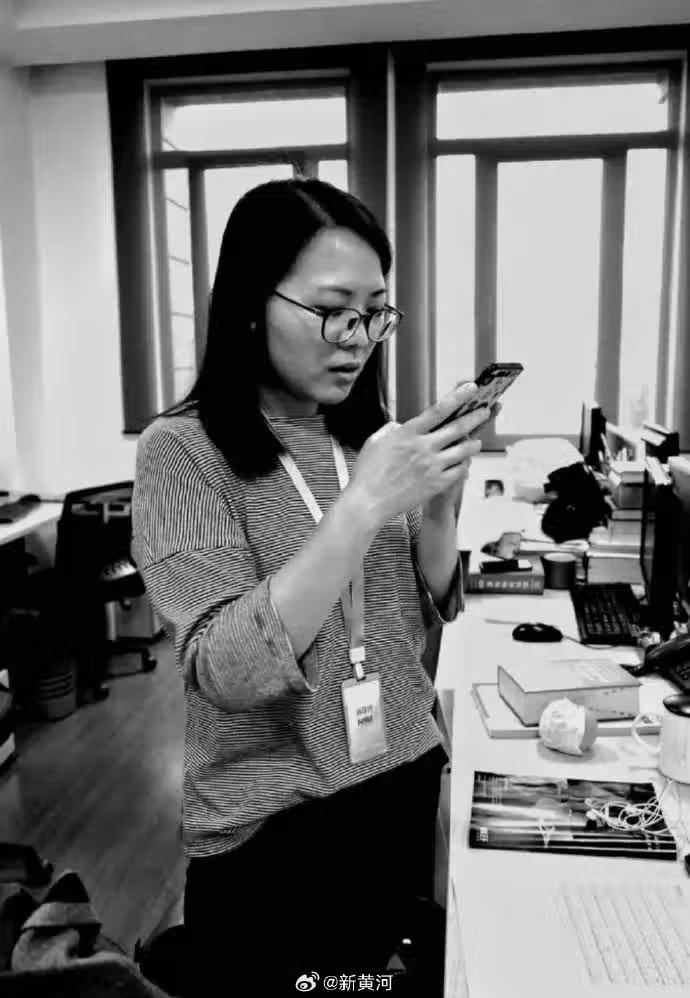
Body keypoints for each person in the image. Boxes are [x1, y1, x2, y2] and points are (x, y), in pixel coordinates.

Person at [131, 177, 490, 995]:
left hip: (397, 780)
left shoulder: (367, 437)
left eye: (375, 313)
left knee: (373, 979)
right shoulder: (183, 451)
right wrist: (361, 506)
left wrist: (440, 504)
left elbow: (421, 613)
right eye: (333, 311)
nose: (357, 339)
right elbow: (226, 670)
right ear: (252, 306)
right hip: (276, 825)